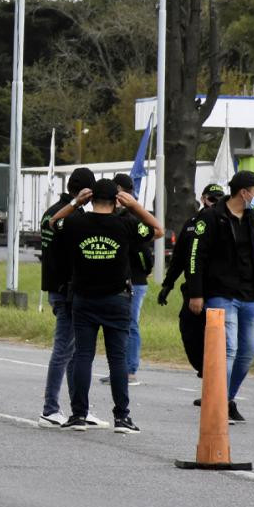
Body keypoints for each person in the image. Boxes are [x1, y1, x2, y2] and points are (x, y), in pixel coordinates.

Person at [50, 178, 163, 433]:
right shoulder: (126, 223)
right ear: (116, 200)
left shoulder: (77, 222)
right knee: (117, 359)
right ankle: (122, 417)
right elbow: (157, 230)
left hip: (84, 298)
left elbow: (53, 223)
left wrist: (75, 203)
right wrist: (134, 206)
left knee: (83, 357)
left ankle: (78, 415)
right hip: (117, 299)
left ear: (91, 199)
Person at [186, 170, 254, 423]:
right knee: (229, 348)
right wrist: (196, 293)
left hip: (250, 295)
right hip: (221, 294)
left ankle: (226, 398)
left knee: (248, 350)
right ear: (244, 192)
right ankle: (218, 403)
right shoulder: (211, 218)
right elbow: (195, 257)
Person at [38, 166, 106, 427]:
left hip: (56, 287)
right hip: (66, 291)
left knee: (74, 352)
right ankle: (50, 408)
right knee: (64, 350)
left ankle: (80, 408)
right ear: (85, 192)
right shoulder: (69, 215)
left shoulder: (51, 211)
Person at [159, 183, 225, 383]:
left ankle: (216, 386)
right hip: (194, 289)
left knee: (218, 341)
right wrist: (167, 285)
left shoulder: (227, 223)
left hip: (218, 290)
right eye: (212, 199)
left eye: (220, 199)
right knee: (190, 333)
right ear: (204, 199)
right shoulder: (192, 224)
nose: (216, 203)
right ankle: (204, 369)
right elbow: (179, 258)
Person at [103, 173, 153, 387]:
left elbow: (143, 249)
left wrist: (143, 270)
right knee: (120, 325)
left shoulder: (132, 217)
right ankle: (120, 369)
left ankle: (130, 370)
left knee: (130, 325)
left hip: (135, 280)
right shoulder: (121, 215)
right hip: (122, 279)